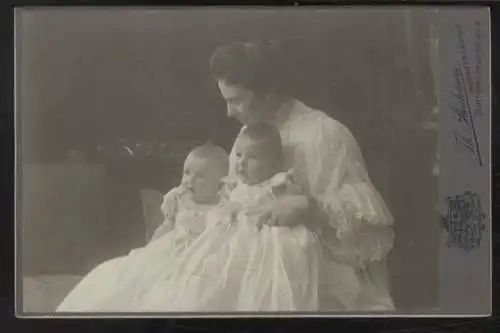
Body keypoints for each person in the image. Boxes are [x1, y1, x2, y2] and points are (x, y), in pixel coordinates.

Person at [207, 41, 396, 311]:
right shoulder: (248, 134)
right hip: (248, 256)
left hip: (314, 267)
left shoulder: (325, 134)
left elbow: (364, 226)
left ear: (267, 92)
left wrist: (307, 207)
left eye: (235, 100)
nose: (229, 112)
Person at [135, 123, 361, 311]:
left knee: (265, 281)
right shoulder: (233, 187)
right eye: (240, 155)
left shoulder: (278, 183)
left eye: (252, 158)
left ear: (272, 165)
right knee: (209, 269)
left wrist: (285, 204)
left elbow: (299, 202)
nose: (241, 162)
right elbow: (215, 206)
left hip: (266, 239)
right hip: (230, 238)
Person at [56, 143, 230, 312]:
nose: (189, 180)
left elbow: (224, 237)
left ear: (220, 184)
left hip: (201, 255)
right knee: (132, 278)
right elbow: (167, 225)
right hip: (171, 248)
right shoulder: (178, 199)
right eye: (187, 172)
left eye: (200, 176)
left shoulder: (224, 207)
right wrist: (151, 249)